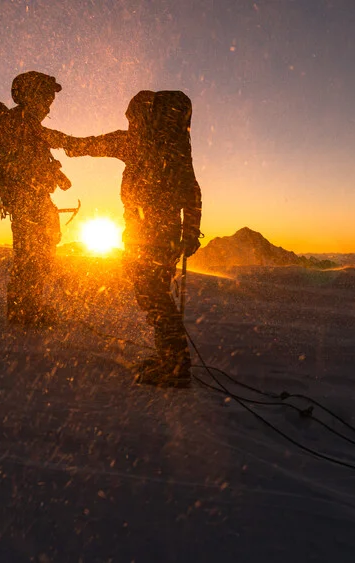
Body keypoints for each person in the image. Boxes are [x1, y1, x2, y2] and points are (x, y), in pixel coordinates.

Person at [65, 90, 202, 387]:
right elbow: (192, 192)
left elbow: (96, 144)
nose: (131, 122)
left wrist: (70, 145)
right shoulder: (176, 148)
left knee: (153, 296)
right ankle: (171, 358)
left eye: (134, 117)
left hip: (149, 233)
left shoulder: (138, 141)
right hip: (159, 233)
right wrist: (190, 232)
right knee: (155, 294)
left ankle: (177, 367)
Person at [0, 71, 73, 327]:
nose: (49, 104)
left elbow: (35, 153)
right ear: (32, 95)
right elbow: (34, 151)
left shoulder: (20, 122)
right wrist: (70, 143)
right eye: (46, 97)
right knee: (33, 256)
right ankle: (25, 313)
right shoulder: (20, 121)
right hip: (28, 200)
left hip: (30, 199)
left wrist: (55, 173)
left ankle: (26, 308)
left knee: (34, 255)